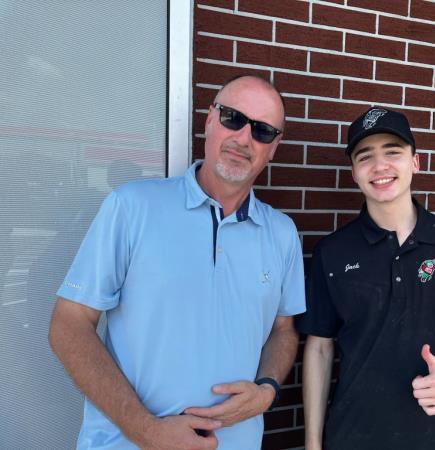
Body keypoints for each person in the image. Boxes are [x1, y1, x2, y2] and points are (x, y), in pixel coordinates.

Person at [48, 75, 306, 450]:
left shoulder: (282, 234)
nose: (244, 138)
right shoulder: (132, 207)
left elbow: (284, 330)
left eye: (263, 130)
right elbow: (68, 325)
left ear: (275, 146)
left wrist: (266, 390)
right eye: (233, 118)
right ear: (209, 121)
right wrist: (146, 431)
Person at [296, 107, 435, 450]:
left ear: (415, 162)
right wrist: (313, 443)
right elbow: (318, 349)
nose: (380, 166)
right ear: (354, 173)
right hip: (351, 437)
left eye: (393, 151)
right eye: (366, 156)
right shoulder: (332, 252)